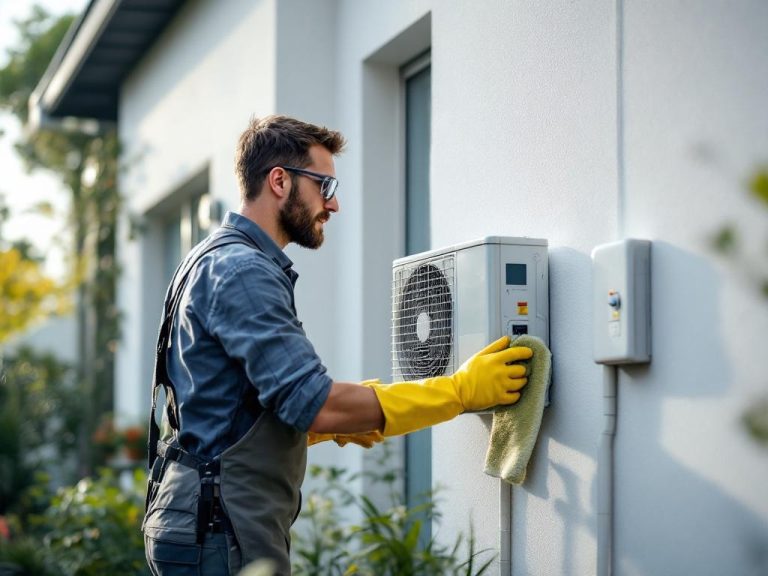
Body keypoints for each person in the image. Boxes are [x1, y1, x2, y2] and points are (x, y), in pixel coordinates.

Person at [142, 115, 533, 576]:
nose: (335, 204)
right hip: (220, 530)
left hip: (197, 518)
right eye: (325, 185)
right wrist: (460, 391)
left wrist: (335, 420)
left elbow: (228, 406)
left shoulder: (209, 258)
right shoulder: (243, 272)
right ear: (280, 181)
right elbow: (318, 406)